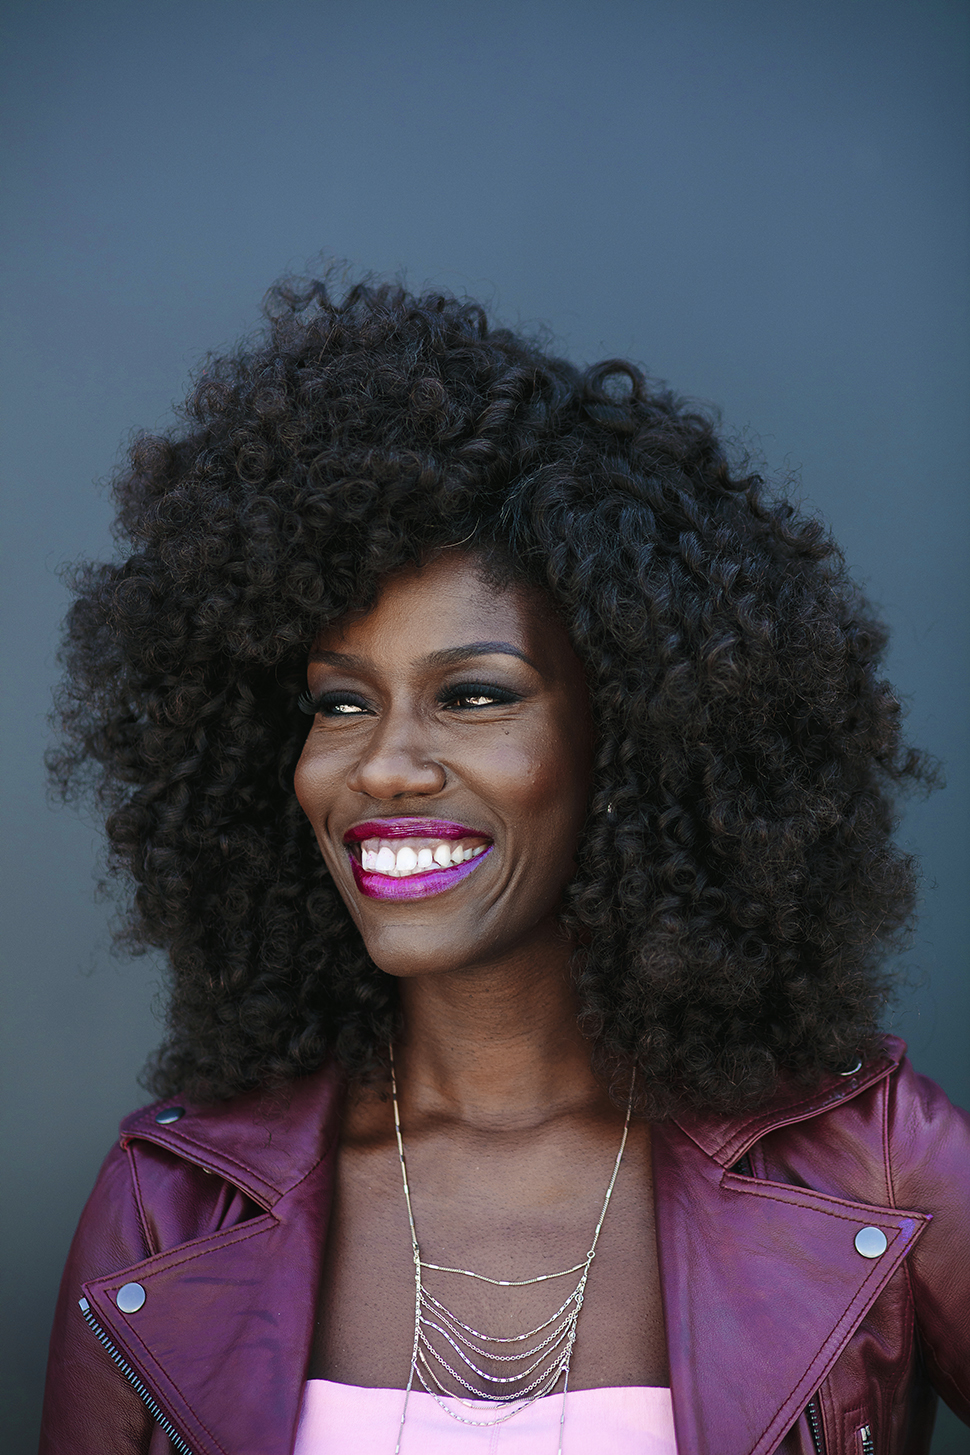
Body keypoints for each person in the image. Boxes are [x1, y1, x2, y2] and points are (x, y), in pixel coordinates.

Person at [40, 273, 969, 1455]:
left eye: (474, 695)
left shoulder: (876, 1165)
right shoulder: (169, 1207)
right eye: (339, 704)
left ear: (635, 729)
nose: (384, 767)